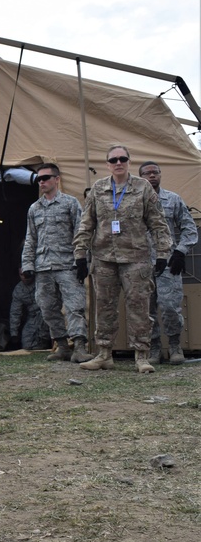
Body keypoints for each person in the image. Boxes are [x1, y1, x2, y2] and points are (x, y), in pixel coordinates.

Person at [75, 145, 171, 373]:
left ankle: (142, 356)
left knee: (139, 307)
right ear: (107, 164)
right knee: (104, 307)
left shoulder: (143, 187)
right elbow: (86, 223)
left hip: (136, 258)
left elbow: (158, 222)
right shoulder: (98, 189)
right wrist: (80, 254)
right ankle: (104, 354)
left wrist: (163, 253)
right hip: (104, 257)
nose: (118, 163)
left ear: (128, 161)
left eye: (123, 158)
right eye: (113, 159)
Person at [20, 163, 92, 362]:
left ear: (57, 179)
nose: (41, 182)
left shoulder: (70, 203)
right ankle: (62, 346)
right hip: (43, 266)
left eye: (45, 178)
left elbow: (80, 233)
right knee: (47, 308)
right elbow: (30, 238)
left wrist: (82, 259)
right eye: (39, 179)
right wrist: (27, 265)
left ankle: (79, 347)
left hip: (68, 265)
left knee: (74, 307)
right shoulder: (34, 208)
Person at [139, 161, 198, 365]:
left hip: (168, 263)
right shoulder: (133, 201)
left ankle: (174, 346)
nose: (152, 176)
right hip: (141, 265)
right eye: (147, 173)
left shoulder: (173, 199)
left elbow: (189, 229)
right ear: (140, 177)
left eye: (155, 172)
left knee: (170, 306)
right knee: (147, 309)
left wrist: (180, 252)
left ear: (160, 175)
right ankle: (154, 348)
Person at [8, 269, 51, 350]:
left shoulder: (42, 282)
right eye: (21, 274)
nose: (25, 277)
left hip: (48, 313)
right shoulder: (19, 289)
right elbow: (15, 312)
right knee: (27, 343)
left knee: (44, 334)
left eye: (27, 274)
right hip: (33, 317)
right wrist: (14, 333)